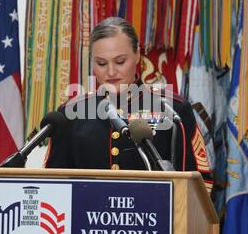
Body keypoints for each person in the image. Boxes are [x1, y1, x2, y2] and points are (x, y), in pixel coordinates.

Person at [44, 17, 213, 191]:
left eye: (120, 61)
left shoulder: (172, 109)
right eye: (101, 63)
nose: (111, 72)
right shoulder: (71, 114)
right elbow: (52, 184)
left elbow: (200, 184)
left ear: (138, 55)